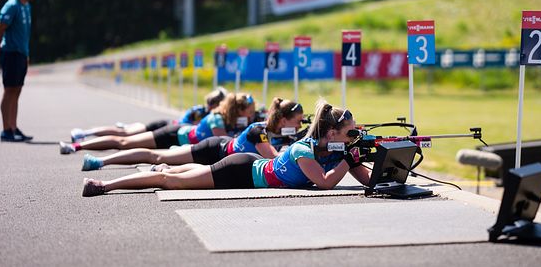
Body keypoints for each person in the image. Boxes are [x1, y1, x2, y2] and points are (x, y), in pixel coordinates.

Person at [81, 100, 370, 196]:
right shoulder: (303, 150)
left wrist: (376, 160)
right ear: (332, 132)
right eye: (352, 133)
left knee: (189, 171)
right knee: (171, 183)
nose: (354, 137)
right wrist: (349, 157)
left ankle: (167, 166)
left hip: (245, 163)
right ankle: (104, 184)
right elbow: (325, 184)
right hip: (242, 170)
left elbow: (369, 181)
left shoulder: (335, 149)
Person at [80, 97, 303, 171]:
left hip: (221, 156)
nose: (299, 125)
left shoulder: (273, 130)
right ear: (283, 121)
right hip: (213, 149)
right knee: (153, 156)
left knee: (164, 164)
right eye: (298, 122)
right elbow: (273, 159)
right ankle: (99, 161)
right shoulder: (260, 130)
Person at [60, 92, 255, 154]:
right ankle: (77, 144)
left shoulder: (231, 118)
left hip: (181, 140)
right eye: (249, 112)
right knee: (125, 141)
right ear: (237, 110)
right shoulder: (217, 118)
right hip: (173, 133)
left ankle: (80, 141)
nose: (251, 115)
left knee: (127, 139)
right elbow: (225, 141)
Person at [68, 87, 227, 141]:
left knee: (125, 134)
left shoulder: (202, 110)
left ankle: (86, 133)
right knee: (125, 135)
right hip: (166, 127)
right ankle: (84, 133)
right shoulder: (200, 113)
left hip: (168, 126)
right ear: (216, 104)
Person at [0, 0, 40, 142]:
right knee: (9, 90)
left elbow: (24, 34)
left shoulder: (26, 5)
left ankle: (13, 127)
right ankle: (6, 131)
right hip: (10, 53)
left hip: (21, 54)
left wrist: (26, 54)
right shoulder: (11, 5)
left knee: (17, 90)